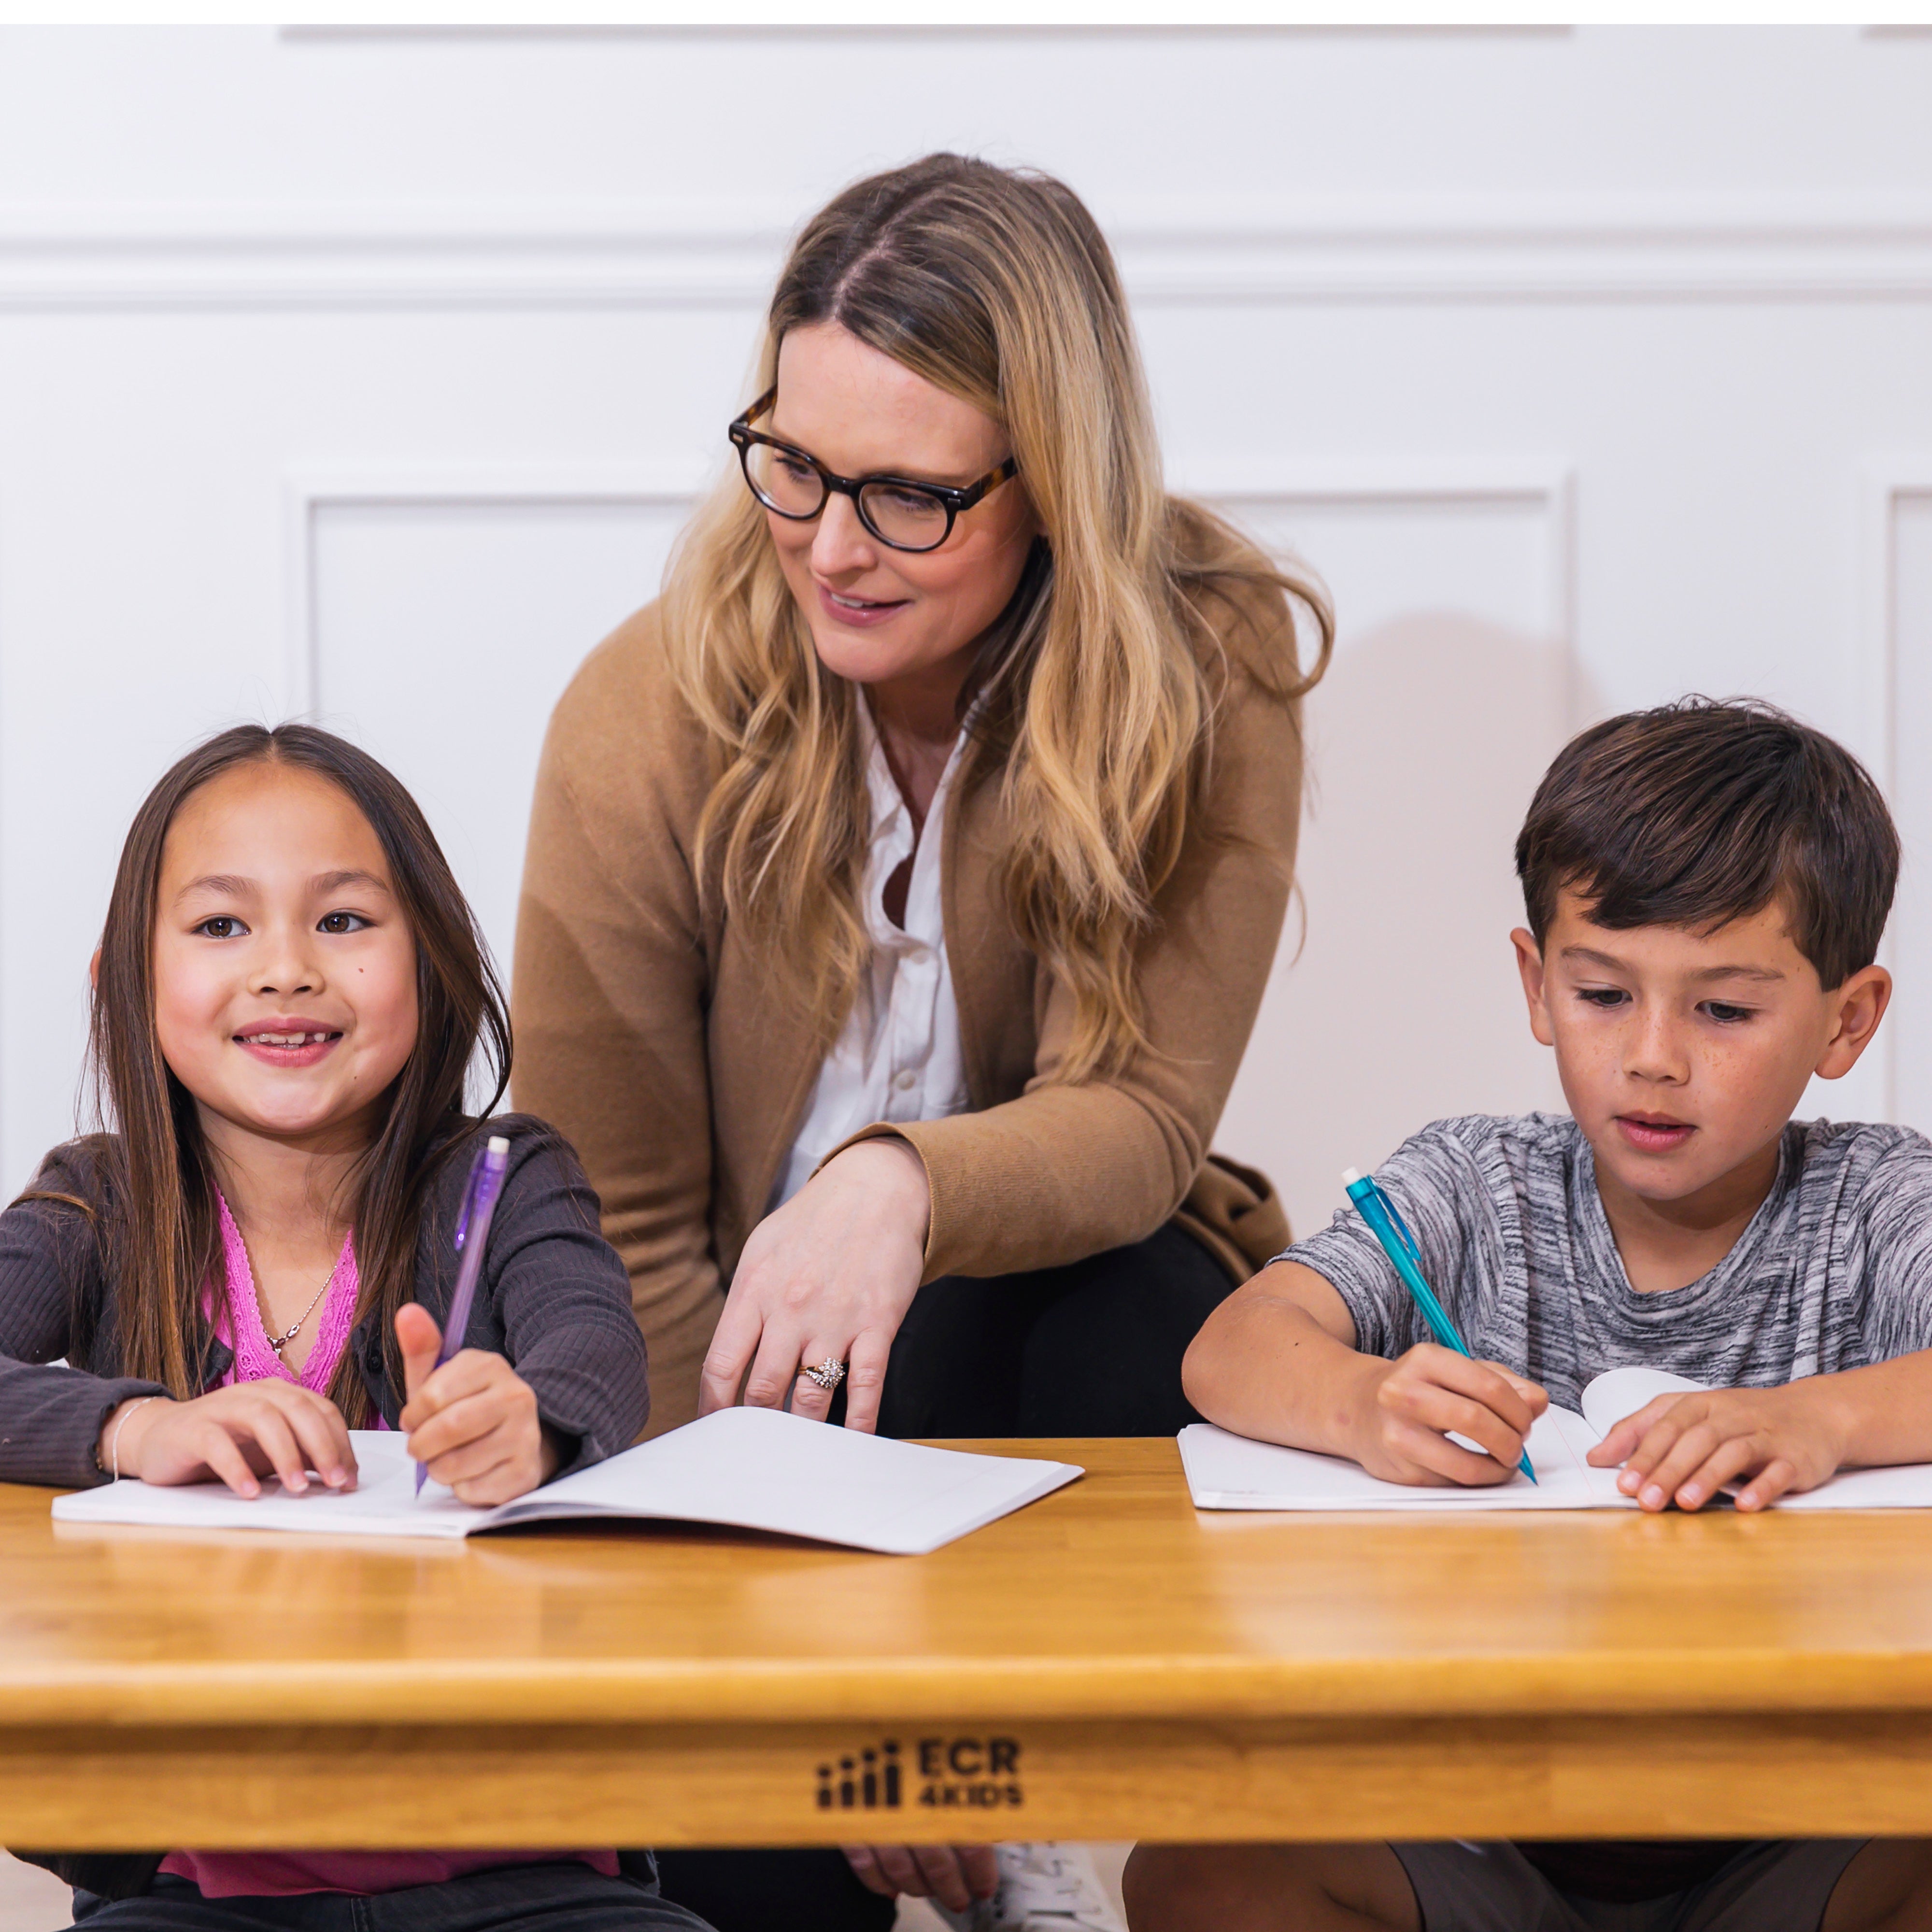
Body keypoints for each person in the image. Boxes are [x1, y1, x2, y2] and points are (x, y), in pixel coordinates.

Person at [513, 154, 1329, 1932]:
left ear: (1056, 484)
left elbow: (1147, 1116)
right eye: (794, 465)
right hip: (723, 1381)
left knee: (1143, 1315)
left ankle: (1016, 1778)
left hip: (1035, 1333)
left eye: (909, 495)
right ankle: (870, 1781)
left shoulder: (1207, 661)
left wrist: (895, 1186)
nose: (827, 543)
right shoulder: (649, 704)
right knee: (759, 1873)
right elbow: (611, 1226)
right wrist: (806, 1677)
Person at [1123, 697, 1932, 1932]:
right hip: (1473, 1830)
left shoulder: (1879, 1199)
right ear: (1535, 982)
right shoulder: (1473, 1181)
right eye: (1602, 991)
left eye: (1722, 1010)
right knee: (1202, 1865)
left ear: (1846, 1017)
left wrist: (1815, 1419)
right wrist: (1356, 1399)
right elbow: (1227, 1346)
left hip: (1807, 1841)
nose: (1652, 1055)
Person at [0, 724, 711, 1932]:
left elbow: (596, 1350)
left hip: (530, 1876)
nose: (285, 970)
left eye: (342, 920)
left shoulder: (505, 1175)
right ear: (124, 976)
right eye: (221, 924)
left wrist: (528, 1429)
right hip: (192, 1885)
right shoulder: (96, 1201)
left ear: (431, 961)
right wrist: (135, 1424)